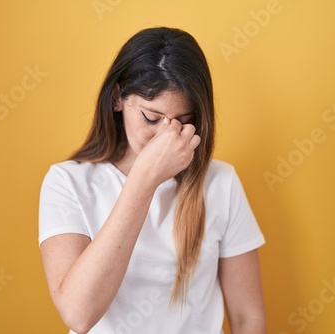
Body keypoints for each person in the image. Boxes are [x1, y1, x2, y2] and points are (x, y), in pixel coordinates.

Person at [38, 27, 266, 334]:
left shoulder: (221, 183)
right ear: (118, 98)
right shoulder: (67, 182)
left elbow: (247, 318)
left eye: (183, 121)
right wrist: (144, 180)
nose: (166, 136)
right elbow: (79, 315)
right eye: (151, 118)